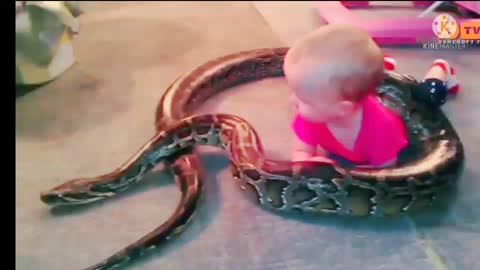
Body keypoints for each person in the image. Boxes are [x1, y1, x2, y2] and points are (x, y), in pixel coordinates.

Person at [285, 25, 408, 167]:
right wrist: (306, 162)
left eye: (304, 100)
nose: (292, 101)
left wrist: (350, 174)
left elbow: (386, 170)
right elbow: (300, 151)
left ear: (342, 109)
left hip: (386, 147)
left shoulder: (382, 129)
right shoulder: (311, 117)